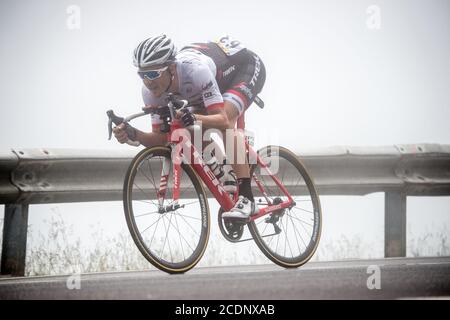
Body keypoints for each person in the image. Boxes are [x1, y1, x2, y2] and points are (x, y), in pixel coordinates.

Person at [113, 34, 266, 219]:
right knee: (187, 127)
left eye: (153, 74)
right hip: (207, 86)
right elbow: (163, 139)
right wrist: (134, 134)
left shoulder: (195, 71)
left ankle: (247, 198)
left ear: (170, 68)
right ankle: (226, 172)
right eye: (142, 75)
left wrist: (193, 116)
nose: (148, 81)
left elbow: (222, 119)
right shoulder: (151, 93)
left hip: (242, 69)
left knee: (223, 123)